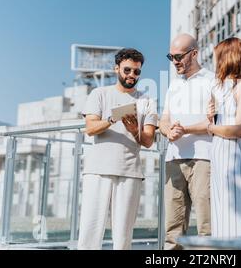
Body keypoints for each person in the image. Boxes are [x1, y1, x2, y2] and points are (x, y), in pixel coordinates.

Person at [78, 48, 158, 250]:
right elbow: (90, 128)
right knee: (89, 233)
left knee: (123, 238)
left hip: (129, 172)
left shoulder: (147, 102)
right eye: (128, 70)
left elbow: (148, 141)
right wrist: (113, 119)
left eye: (137, 72)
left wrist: (133, 130)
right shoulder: (99, 93)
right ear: (117, 69)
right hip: (97, 171)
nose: (132, 75)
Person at [159, 34, 214, 249]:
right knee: (173, 227)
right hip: (174, 158)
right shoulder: (173, 85)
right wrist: (167, 131)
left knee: (206, 225)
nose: (175, 62)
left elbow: (214, 121)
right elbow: (164, 119)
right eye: (170, 57)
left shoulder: (212, 80)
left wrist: (184, 130)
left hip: (203, 158)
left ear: (194, 53)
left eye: (179, 56)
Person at [206, 37, 241, 238]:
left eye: (218, 58)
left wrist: (211, 127)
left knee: (238, 232)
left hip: (235, 167)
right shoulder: (226, 90)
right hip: (220, 166)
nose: (216, 64)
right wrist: (212, 115)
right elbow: (222, 124)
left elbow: (240, 128)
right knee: (222, 232)